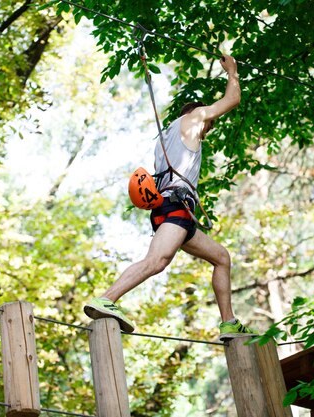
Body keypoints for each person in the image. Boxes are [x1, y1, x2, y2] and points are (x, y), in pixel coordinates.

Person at [84, 54, 255, 341]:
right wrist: (233, 72)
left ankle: (229, 323)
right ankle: (106, 299)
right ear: (198, 114)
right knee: (157, 260)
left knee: (221, 258)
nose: (209, 128)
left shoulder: (168, 138)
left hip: (178, 211)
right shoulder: (192, 119)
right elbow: (232, 100)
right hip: (175, 207)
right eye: (208, 123)